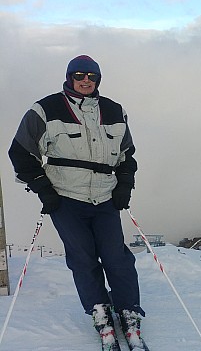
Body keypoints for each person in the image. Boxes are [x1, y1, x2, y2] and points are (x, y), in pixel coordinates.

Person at [8, 55, 145, 348]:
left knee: (116, 258)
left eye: (91, 77)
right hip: (65, 199)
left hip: (106, 198)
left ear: (98, 80)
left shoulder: (114, 110)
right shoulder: (45, 109)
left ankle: (129, 312)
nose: (86, 81)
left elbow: (126, 156)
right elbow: (20, 153)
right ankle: (100, 311)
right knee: (83, 259)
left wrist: (125, 187)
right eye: (79, 76)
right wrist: (43, 188)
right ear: (70, 77)